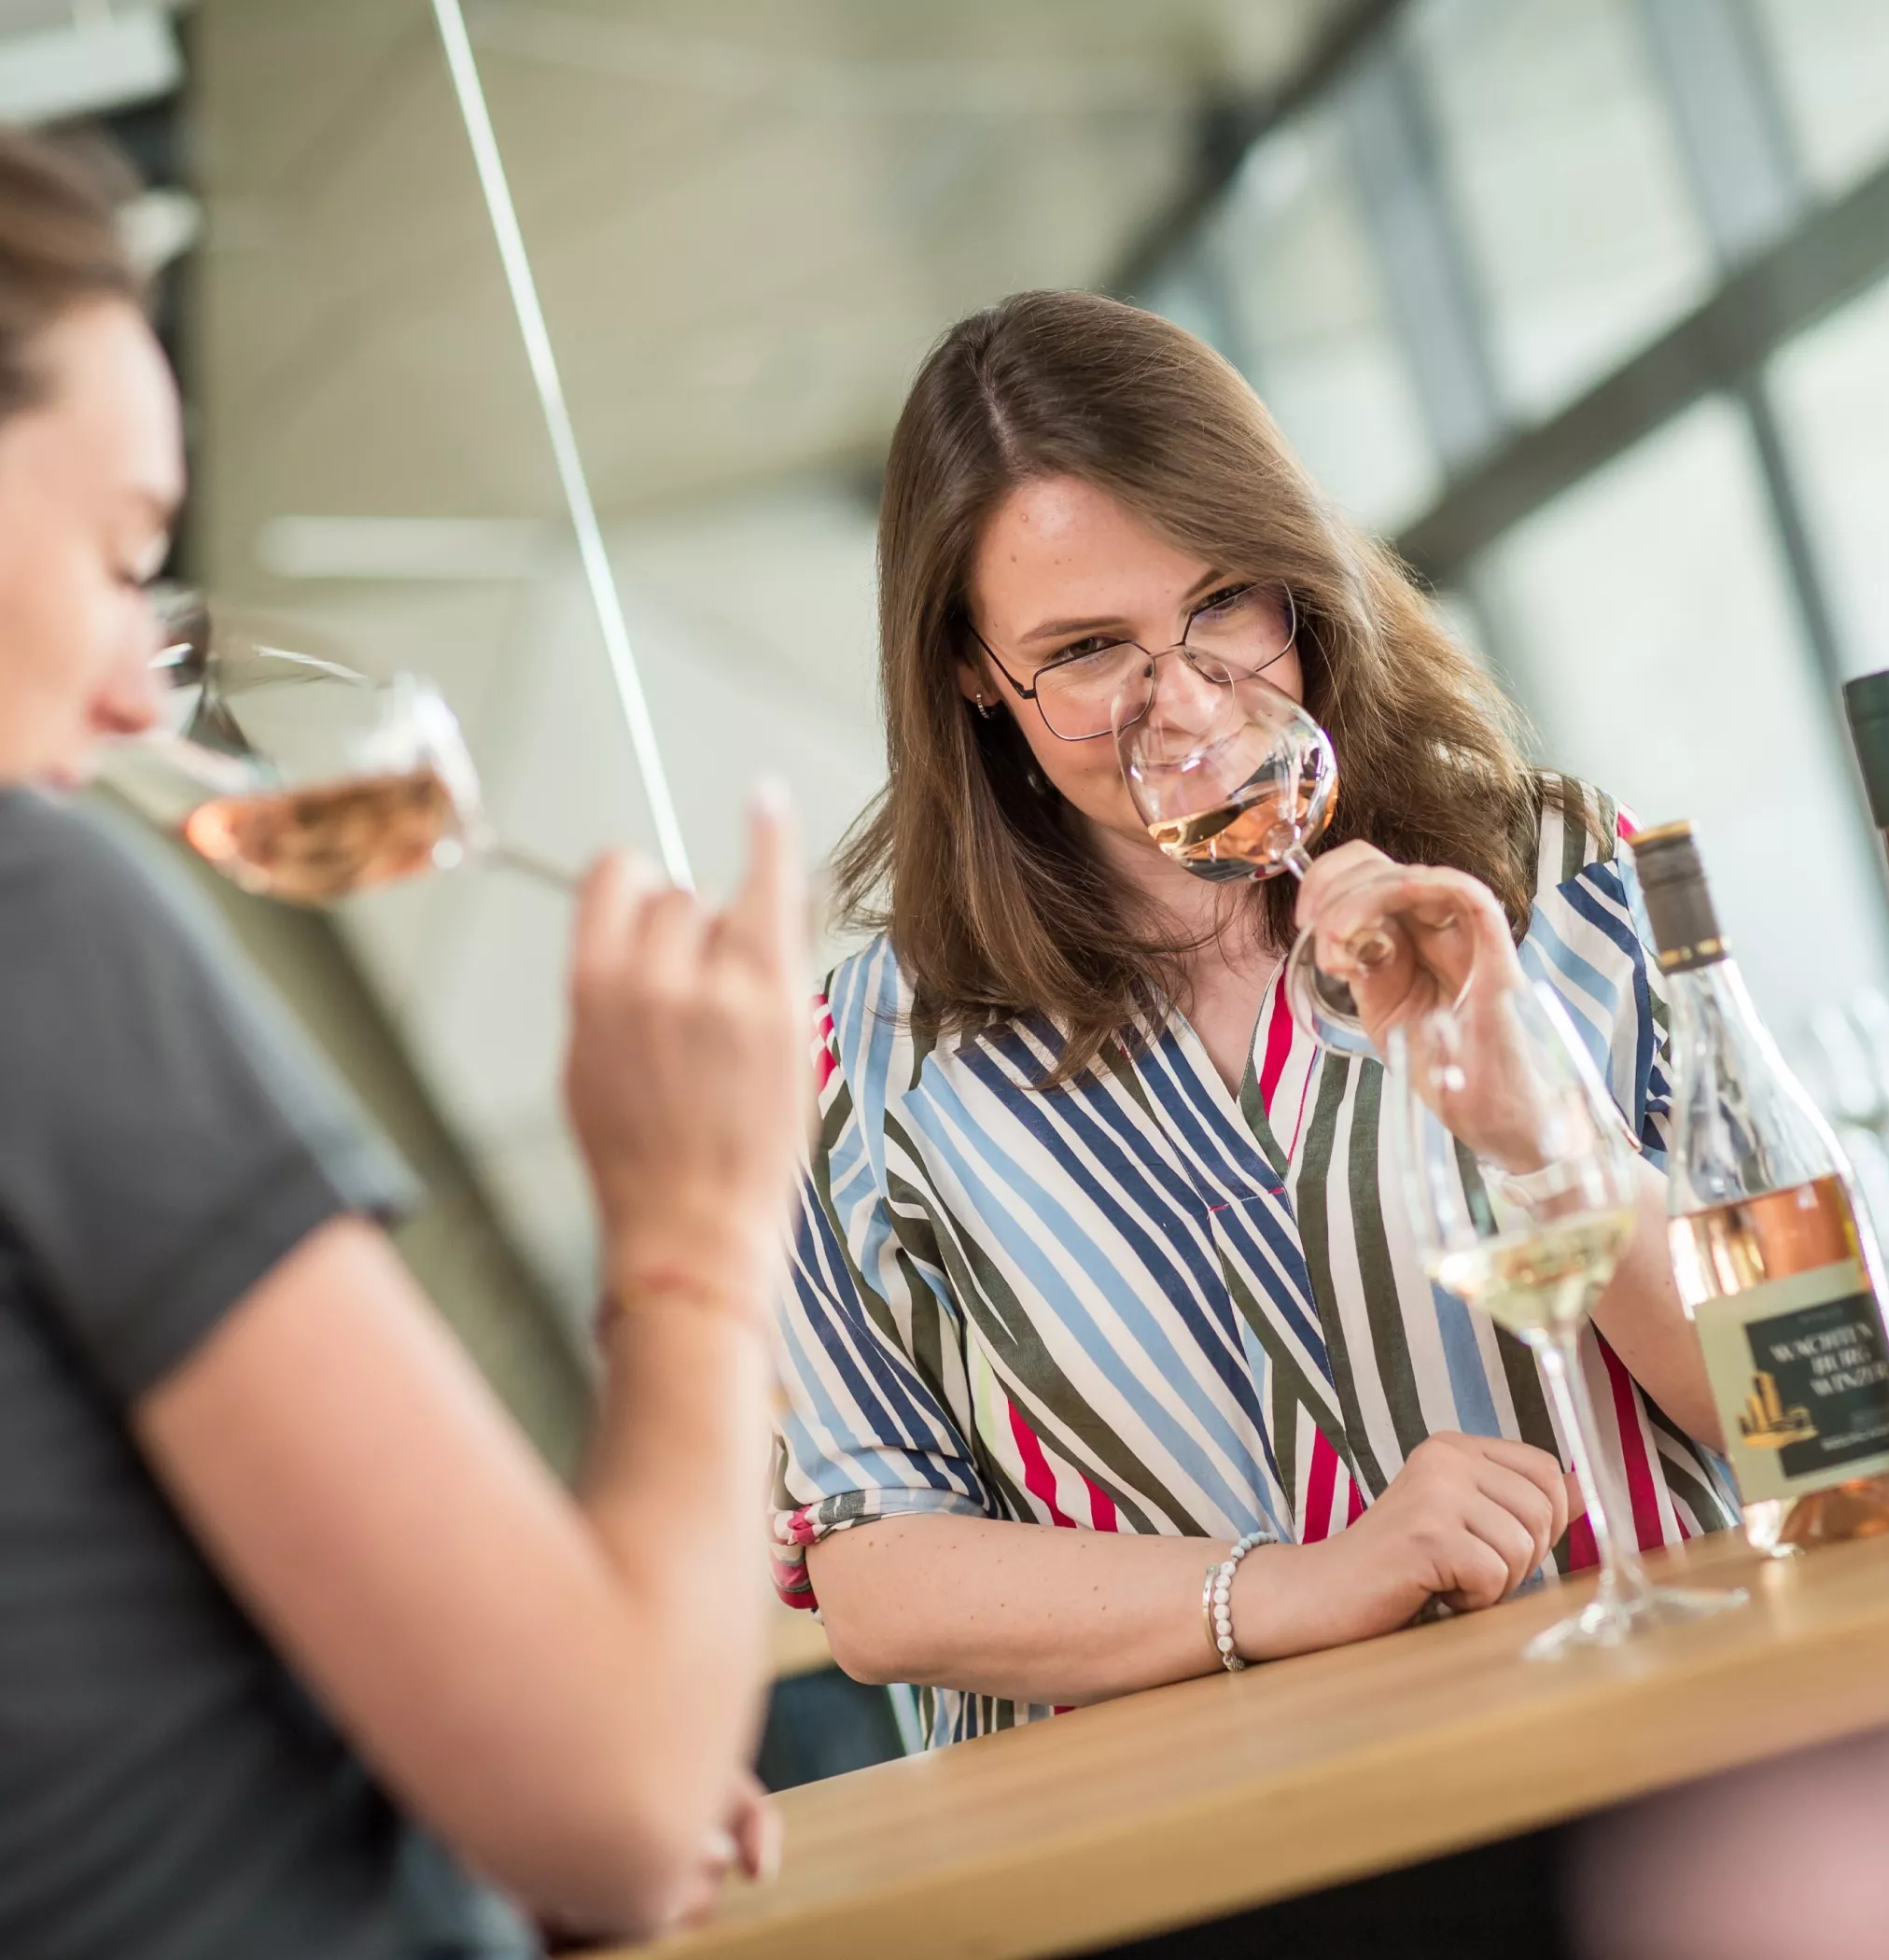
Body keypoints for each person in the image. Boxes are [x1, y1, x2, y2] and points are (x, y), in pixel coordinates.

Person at [0, 128, 807, 1958]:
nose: (141, 683)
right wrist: (698, 1236)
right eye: (122, 547)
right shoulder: (33, 916)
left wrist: (463, 1755)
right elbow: (616, 1801)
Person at [770, 289, 1738, 1750]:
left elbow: (1791, 1386)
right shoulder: (867, 1060)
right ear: (973, 673)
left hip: (1652, 1756)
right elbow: (875, 1573)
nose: (1196, 710)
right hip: (1196, 1852)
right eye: (1091, 652)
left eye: (1227, 602)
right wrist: (1291, 1591)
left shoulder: (1558, 875)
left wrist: (1540, 1129)